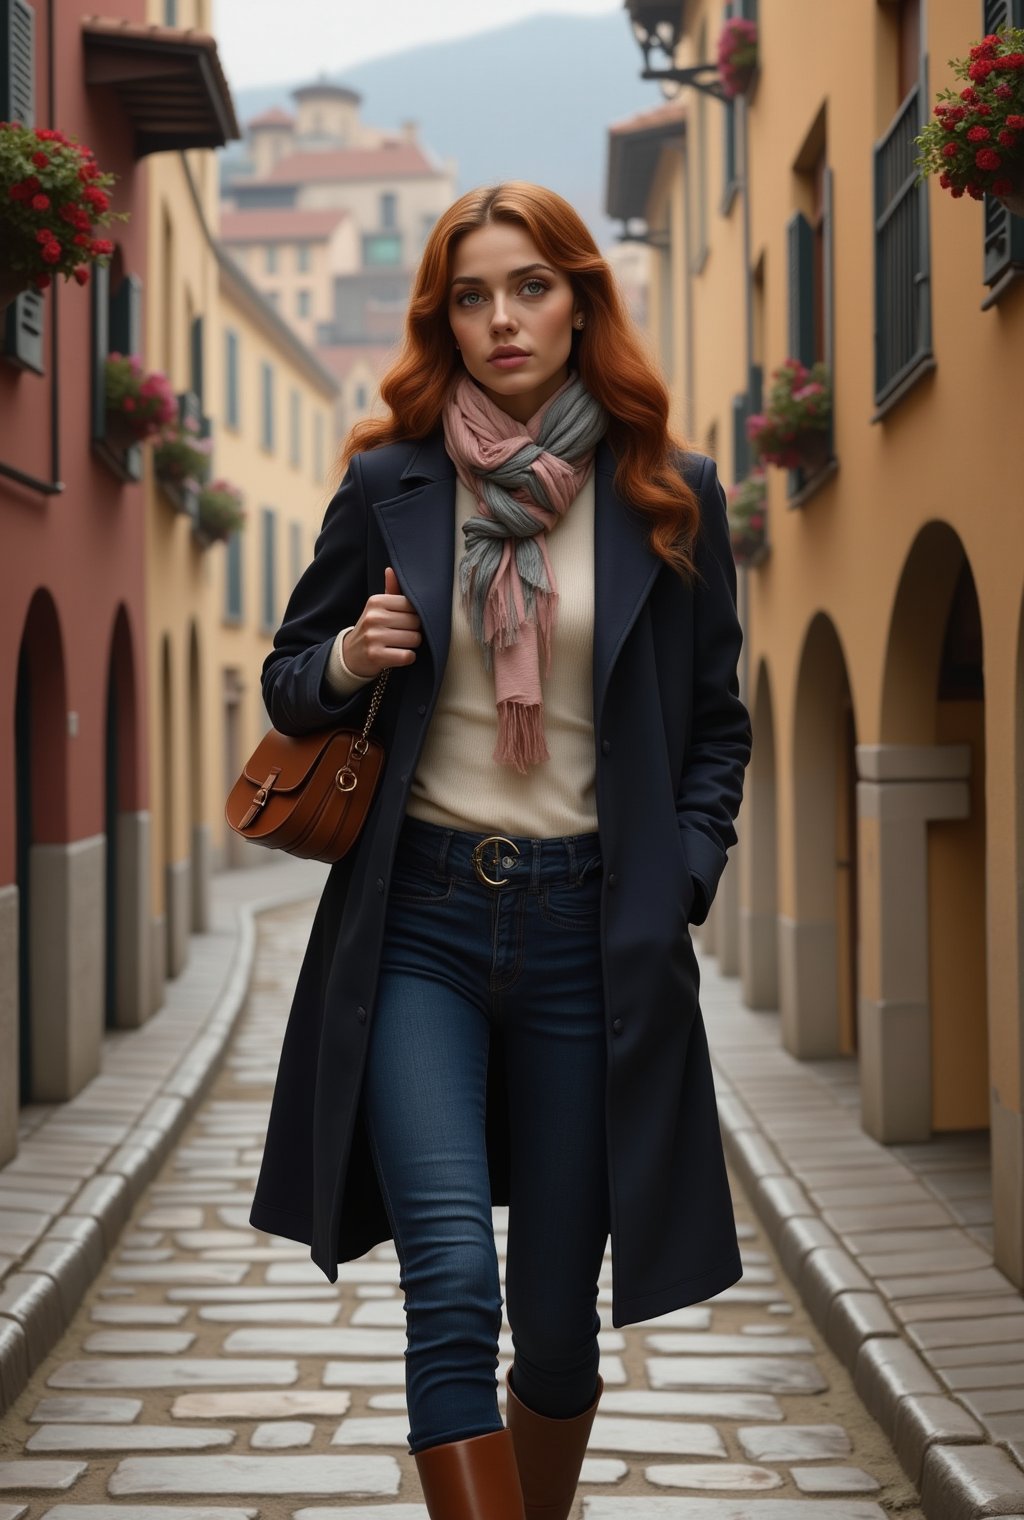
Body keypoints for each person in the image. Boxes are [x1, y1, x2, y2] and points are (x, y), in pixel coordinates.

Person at [249, 181, 753, 1519]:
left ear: (580, 297)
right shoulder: (388, 482)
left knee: (560, 1330)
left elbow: (716, 730)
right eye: (470, 296)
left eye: (527, 286)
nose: (500, 318)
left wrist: (681, 882)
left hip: (594, 937)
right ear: (444, 321)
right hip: (418, 925)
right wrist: (353, 653)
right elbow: (287, 679)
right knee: (454, 1290)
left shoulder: (670, 496)